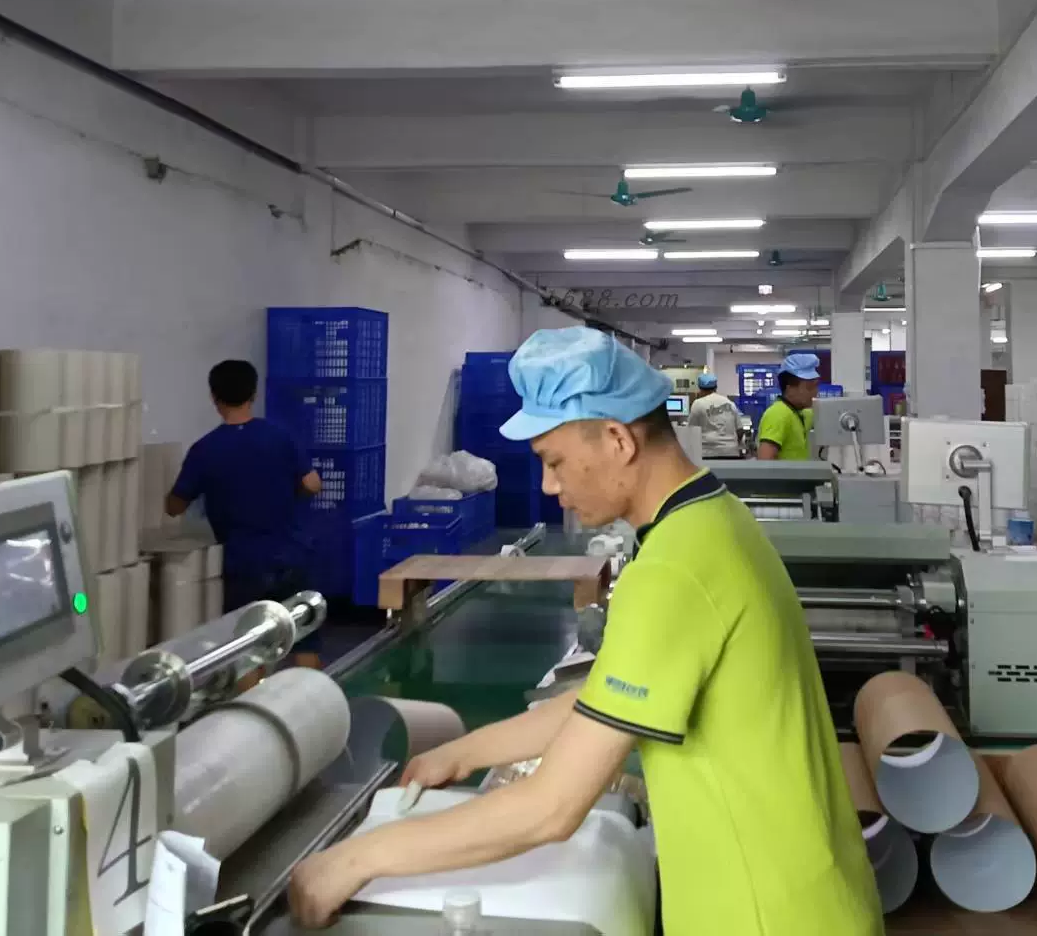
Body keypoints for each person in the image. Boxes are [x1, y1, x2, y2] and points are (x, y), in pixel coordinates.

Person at [289, 327, 879, 934]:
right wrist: (464, 752)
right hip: (806, 891)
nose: (549, 485)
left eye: (555, 461)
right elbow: (606, 703)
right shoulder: (710, 520)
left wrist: (353, 861)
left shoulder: (674, 570)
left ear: (618, 440)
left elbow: (550, 809)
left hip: (760, 913)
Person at [166, 359, 323, 620]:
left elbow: (175, 507)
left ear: (214, 397)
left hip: (243, 564)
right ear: (254, 394)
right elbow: (312, 484)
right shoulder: (280, 436)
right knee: (299, 629)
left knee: (250, 635)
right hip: (291, 553)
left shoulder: (205, 449)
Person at [757, 350, 822, 460]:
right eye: (809, 387)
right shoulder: (778, 414)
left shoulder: (800, 413)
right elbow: (765, 460)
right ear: (790, 388)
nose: (815, 392)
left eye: (816, 386)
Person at [686, 371, 743, 458]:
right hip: (731, 453)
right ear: (716, 387)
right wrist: (733, 444)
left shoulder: (698, 403)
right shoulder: (730, 403)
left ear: (700, 389)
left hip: (708, 453)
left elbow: (691, 430)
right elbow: (740, 430)